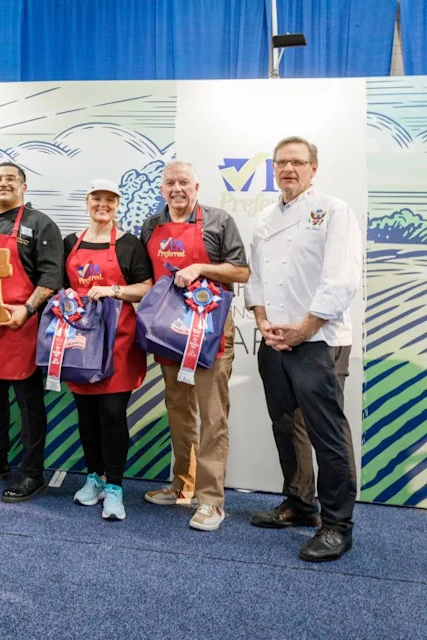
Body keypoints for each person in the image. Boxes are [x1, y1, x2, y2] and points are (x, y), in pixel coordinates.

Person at [245, 136, 362, 562]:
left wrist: (304, 327)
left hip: (318, 341)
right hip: (274, 341)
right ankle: (299, 503)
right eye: (281, 163)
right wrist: (261, 321)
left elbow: (342, 280)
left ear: (314, 167)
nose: (288, 169)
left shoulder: (333, 211)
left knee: (326, 433)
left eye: (297, 162)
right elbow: (256, 279)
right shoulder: (264, 219)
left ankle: (337, 524)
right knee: (285, 425)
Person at [139, 161, 249, 531]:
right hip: (169, 331)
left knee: (213, 416)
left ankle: (211, 501)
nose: (177, 188)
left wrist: (201, 268)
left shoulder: (218, 221)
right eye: (170, 182)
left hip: (211, 333)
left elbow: (241, 271)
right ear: (162, 188)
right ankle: (182, 485)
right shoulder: (151, 226)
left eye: (184, 182)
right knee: (178, 409)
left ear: (196, 186)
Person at [0, 162, 63, 503]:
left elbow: (51, 276)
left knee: (29, 407)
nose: (3, 184)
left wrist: (27, 309)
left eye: (10, 179)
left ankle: (32, 473)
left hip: (23, 327)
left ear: (24, 186)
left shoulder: (40, 224)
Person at [63, 180, 153, 520]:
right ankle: (95, 478)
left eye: (110, 200)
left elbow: (146, 287)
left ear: (117, 205)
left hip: (119, 343)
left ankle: (115, 488)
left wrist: (113, 289)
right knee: (86, 415)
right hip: (81, 343)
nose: (103, 205)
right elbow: (60, 287)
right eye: (97, 198)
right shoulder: (70, 242)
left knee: (113, 414)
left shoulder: (130, 244)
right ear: (87, 202)